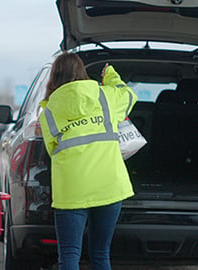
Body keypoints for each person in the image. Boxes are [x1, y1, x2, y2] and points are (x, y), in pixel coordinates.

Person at [39, 52, 137, 270]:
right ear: (82, 72)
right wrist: (110, 75)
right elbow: (129, 95)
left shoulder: (47, 113)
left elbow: (52, 148)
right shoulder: (105, 97)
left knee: (69, 256)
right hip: (109, 186)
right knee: (101, 254)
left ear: (54, 77)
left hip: (72, 191)